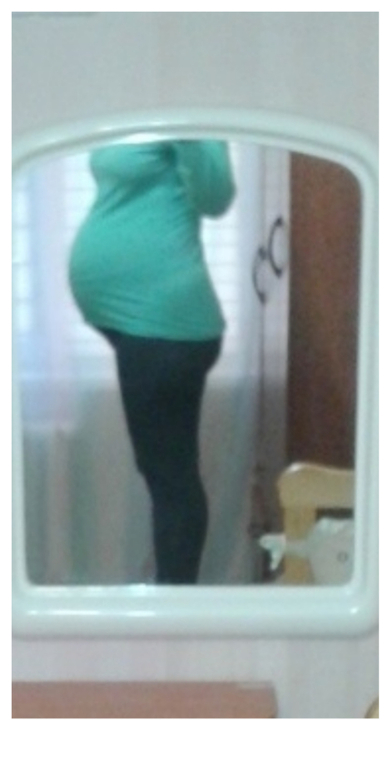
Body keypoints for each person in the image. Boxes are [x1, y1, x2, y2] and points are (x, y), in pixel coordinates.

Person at [69, 139, 236, 584]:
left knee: (171, 478)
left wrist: (186, 129)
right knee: (163, 472)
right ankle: (173, 591)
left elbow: (216, 197)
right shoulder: (134, 115)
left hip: (166, 323)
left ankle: (176, 602)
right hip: (139, 324)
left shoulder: (192, 119)